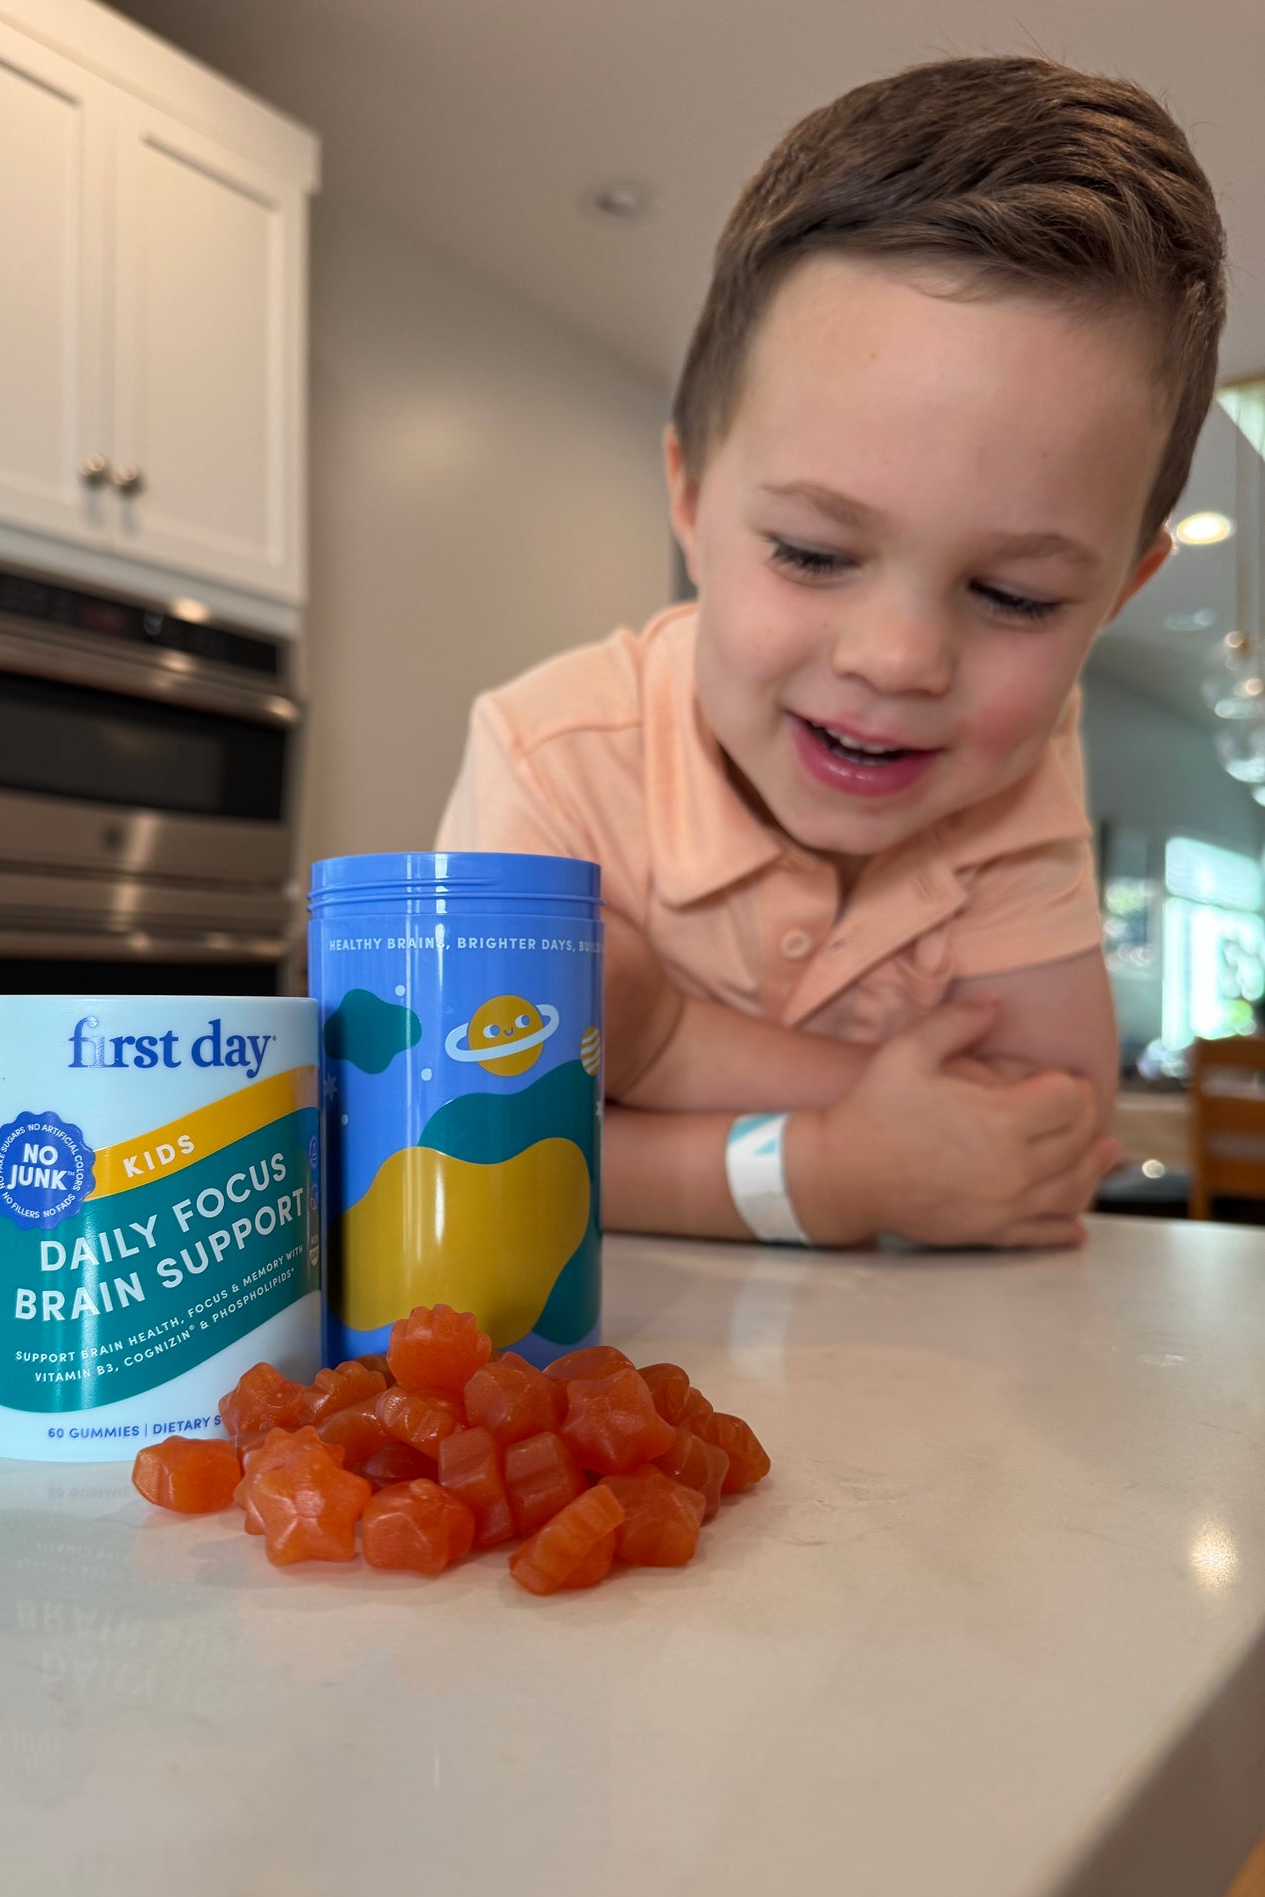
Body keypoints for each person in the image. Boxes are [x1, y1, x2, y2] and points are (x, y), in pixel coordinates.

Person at [437, 54, 1228, 1252]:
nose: (902, 658)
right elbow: (460, 1142)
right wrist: (828, 1168)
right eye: (812, 552)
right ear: (691, 498)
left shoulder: (1016, 763)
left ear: (1120, 593)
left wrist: (657, 1057)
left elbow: (1044, 1137)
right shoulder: (552, 752)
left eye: (1013, 596)